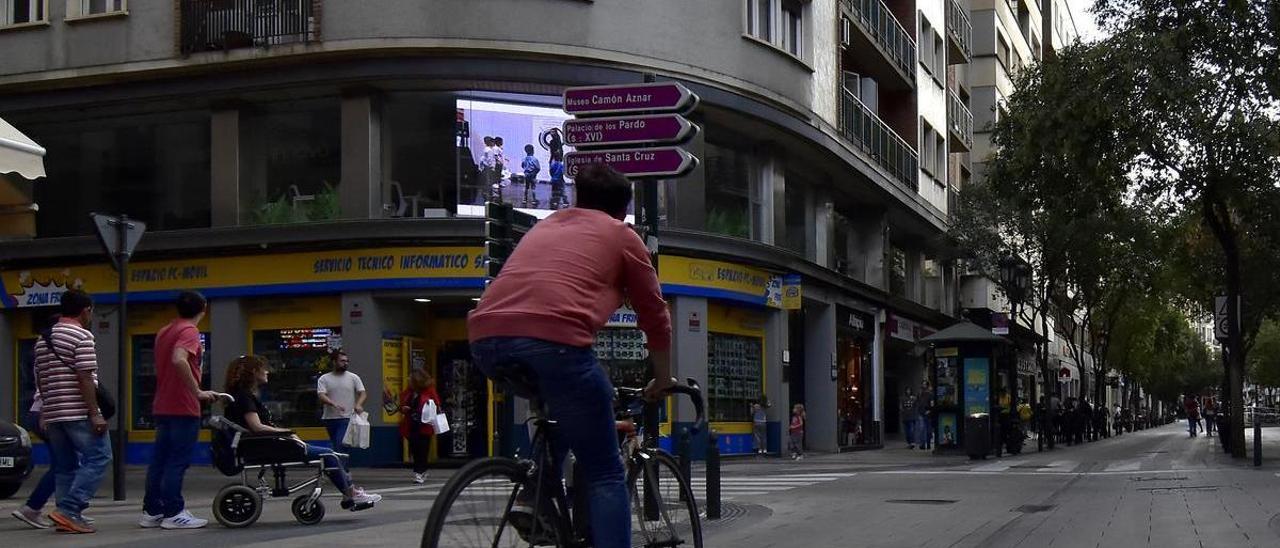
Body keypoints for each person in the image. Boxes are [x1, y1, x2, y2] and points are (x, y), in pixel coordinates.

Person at [468, 163, 673, 548]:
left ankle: (534, 495)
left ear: (580, 198)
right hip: (555, 343)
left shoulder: (546, 226)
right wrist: (663, 381)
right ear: (622, 210)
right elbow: (656, 317)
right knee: (605, 472)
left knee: (562, 404)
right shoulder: (622, 235)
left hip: (485, 339)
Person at [224, 355, 382, 509]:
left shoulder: (243, 396)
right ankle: (351, 493)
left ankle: (350, 492)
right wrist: (285, 432)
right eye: (263, 369)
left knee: (333, 454)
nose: (267, 372)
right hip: (266, 446)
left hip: (265, 444)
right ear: (253, 373)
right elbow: (257, 427)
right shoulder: (245, 398)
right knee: (329, 455)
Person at [141, 292, 219, 530]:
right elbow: (179, 359)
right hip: (183, 405)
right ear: (203, 308)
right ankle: (174, 512)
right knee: (177, 461)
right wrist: (197, 391)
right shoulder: (189, 331)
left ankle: (152, 509)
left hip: (162, 403)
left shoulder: (164, 331)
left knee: (159, 461)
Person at [35, 289, 111, 534]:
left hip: (54, 412)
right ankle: (69, 508)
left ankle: (65, 516)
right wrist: (95, 412)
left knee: (66, 465)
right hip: (78, 411)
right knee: (100, 457)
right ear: (86, 310)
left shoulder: (43, 339)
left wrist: (46, 410)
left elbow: (41, 377)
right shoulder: (82, 336)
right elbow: (85, 377)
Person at [317, 349, 367, 451]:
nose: (345, 363)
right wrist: (333, 404)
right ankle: (340, 465)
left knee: (341, 443)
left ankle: (340, 466)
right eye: (342, 361)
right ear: (334, 362)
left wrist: (358, 404)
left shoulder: (353, 377)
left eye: (347, 361)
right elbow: (321, 395)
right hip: (329, 418)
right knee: (336, 444)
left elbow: (362, 393)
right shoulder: (324, 378)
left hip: (347, 417)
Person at [399, 369, 441, 484]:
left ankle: (419, 472)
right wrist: (404, 408)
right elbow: (403, 402)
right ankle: (420, 471)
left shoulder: (429, 390)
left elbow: (436, 404)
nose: (408, 379)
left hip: (424, 424)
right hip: (411, 423)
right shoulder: (410, 392)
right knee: (414, 448)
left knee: (422, 449)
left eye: (410, 378)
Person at [915, 383, 933, 450]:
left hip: (928, 413)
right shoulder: (920, 394)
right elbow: (917, 402)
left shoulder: (930, 395)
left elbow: (932, 404)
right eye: (923, 386)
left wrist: (930, 410)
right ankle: (922, 444)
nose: (923, 387)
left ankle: (927, 444)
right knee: (922, 429)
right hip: (921, 413)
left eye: (925, 386)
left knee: (928, 430)